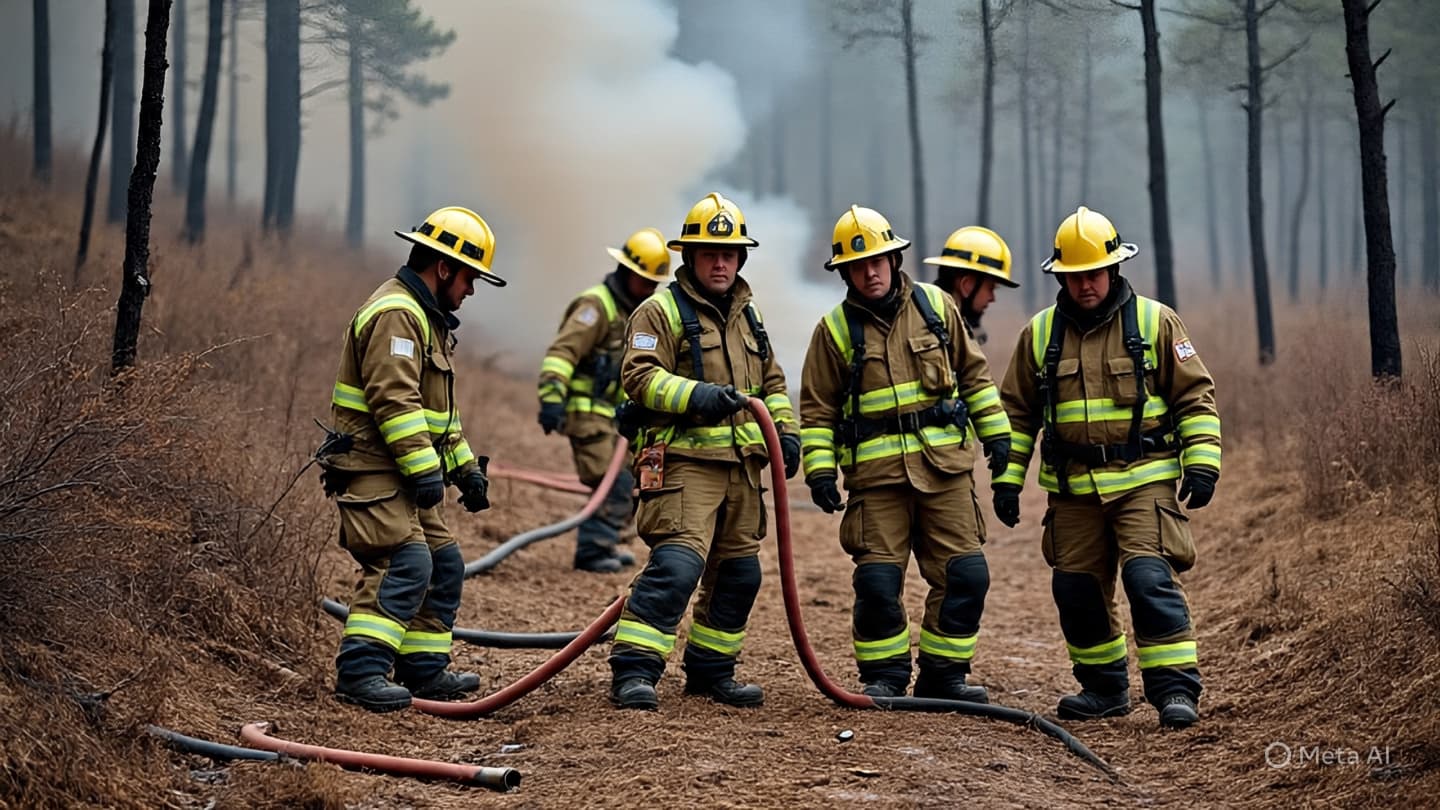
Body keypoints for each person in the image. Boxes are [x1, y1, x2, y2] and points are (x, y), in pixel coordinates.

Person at [992, 206, 1222, 730]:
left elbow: (1196, 399)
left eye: (1092, 274)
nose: (1083, 285)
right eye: (1072, 276)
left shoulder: (1156, 322)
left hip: (1144, 479)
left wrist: (1202, 463)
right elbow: (1017, 415)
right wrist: (1007, 482)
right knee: (1075, 589)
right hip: (1072, 490)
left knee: (1148, 578)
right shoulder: (1040, 334)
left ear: (1114, 270)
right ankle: (1104, 689)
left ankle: (1174, 692)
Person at [799, 205, 1012, 702]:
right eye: (857, 265)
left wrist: (997, 436)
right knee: (877, 581)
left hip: (945, 474)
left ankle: (944, 676)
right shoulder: (833, 332)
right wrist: (820, 471)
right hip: (876, 482)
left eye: (877, 261)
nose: (869, 272)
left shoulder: (937, 308)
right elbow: (817, 410)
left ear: (895, 260)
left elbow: (975, 378)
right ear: (845, 272)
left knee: (965, 574)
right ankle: (884, 677)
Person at [607, 192, 801, 711]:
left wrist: (786, 433)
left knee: (740, 574)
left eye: (730, 253)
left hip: (741, 469)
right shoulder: (659, 311)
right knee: (675, 568)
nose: (721, 262)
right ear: (689, 256)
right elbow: (639, 377)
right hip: (684, 466)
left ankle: (711, 672)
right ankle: (634, 672)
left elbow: (773, 383)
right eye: (711, 253)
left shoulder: (749, 317)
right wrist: (699, 396)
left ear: (741, 258)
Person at [321, 206, 499, 713]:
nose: (472, 290)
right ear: (444, 268)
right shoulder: (397, 313)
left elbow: (439, 414)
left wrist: (465, 470)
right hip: (375, 469)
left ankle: (422, 669)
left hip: (401, 469)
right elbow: (394, 401)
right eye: (469, 277)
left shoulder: (428, 317)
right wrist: (425, 472)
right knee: (405, 559)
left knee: (444, 562)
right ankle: (360, 673)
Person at [537, 228, 671, 573]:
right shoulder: (596, 307)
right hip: (586, 414)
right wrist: (552, 398)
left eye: (655, 285)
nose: (650, 291)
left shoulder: (633, 314)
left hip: (612, 419)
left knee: (635, 478)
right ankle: (593, 551)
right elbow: (562, 353)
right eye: (646, 282)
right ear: (628, 273)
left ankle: (607, 542)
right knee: (613, 482)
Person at [923, 225, 1020, 346]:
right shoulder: (932, 336)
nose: (992, 298)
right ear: (967, 285)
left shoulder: (940, 329)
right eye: (990, 288)